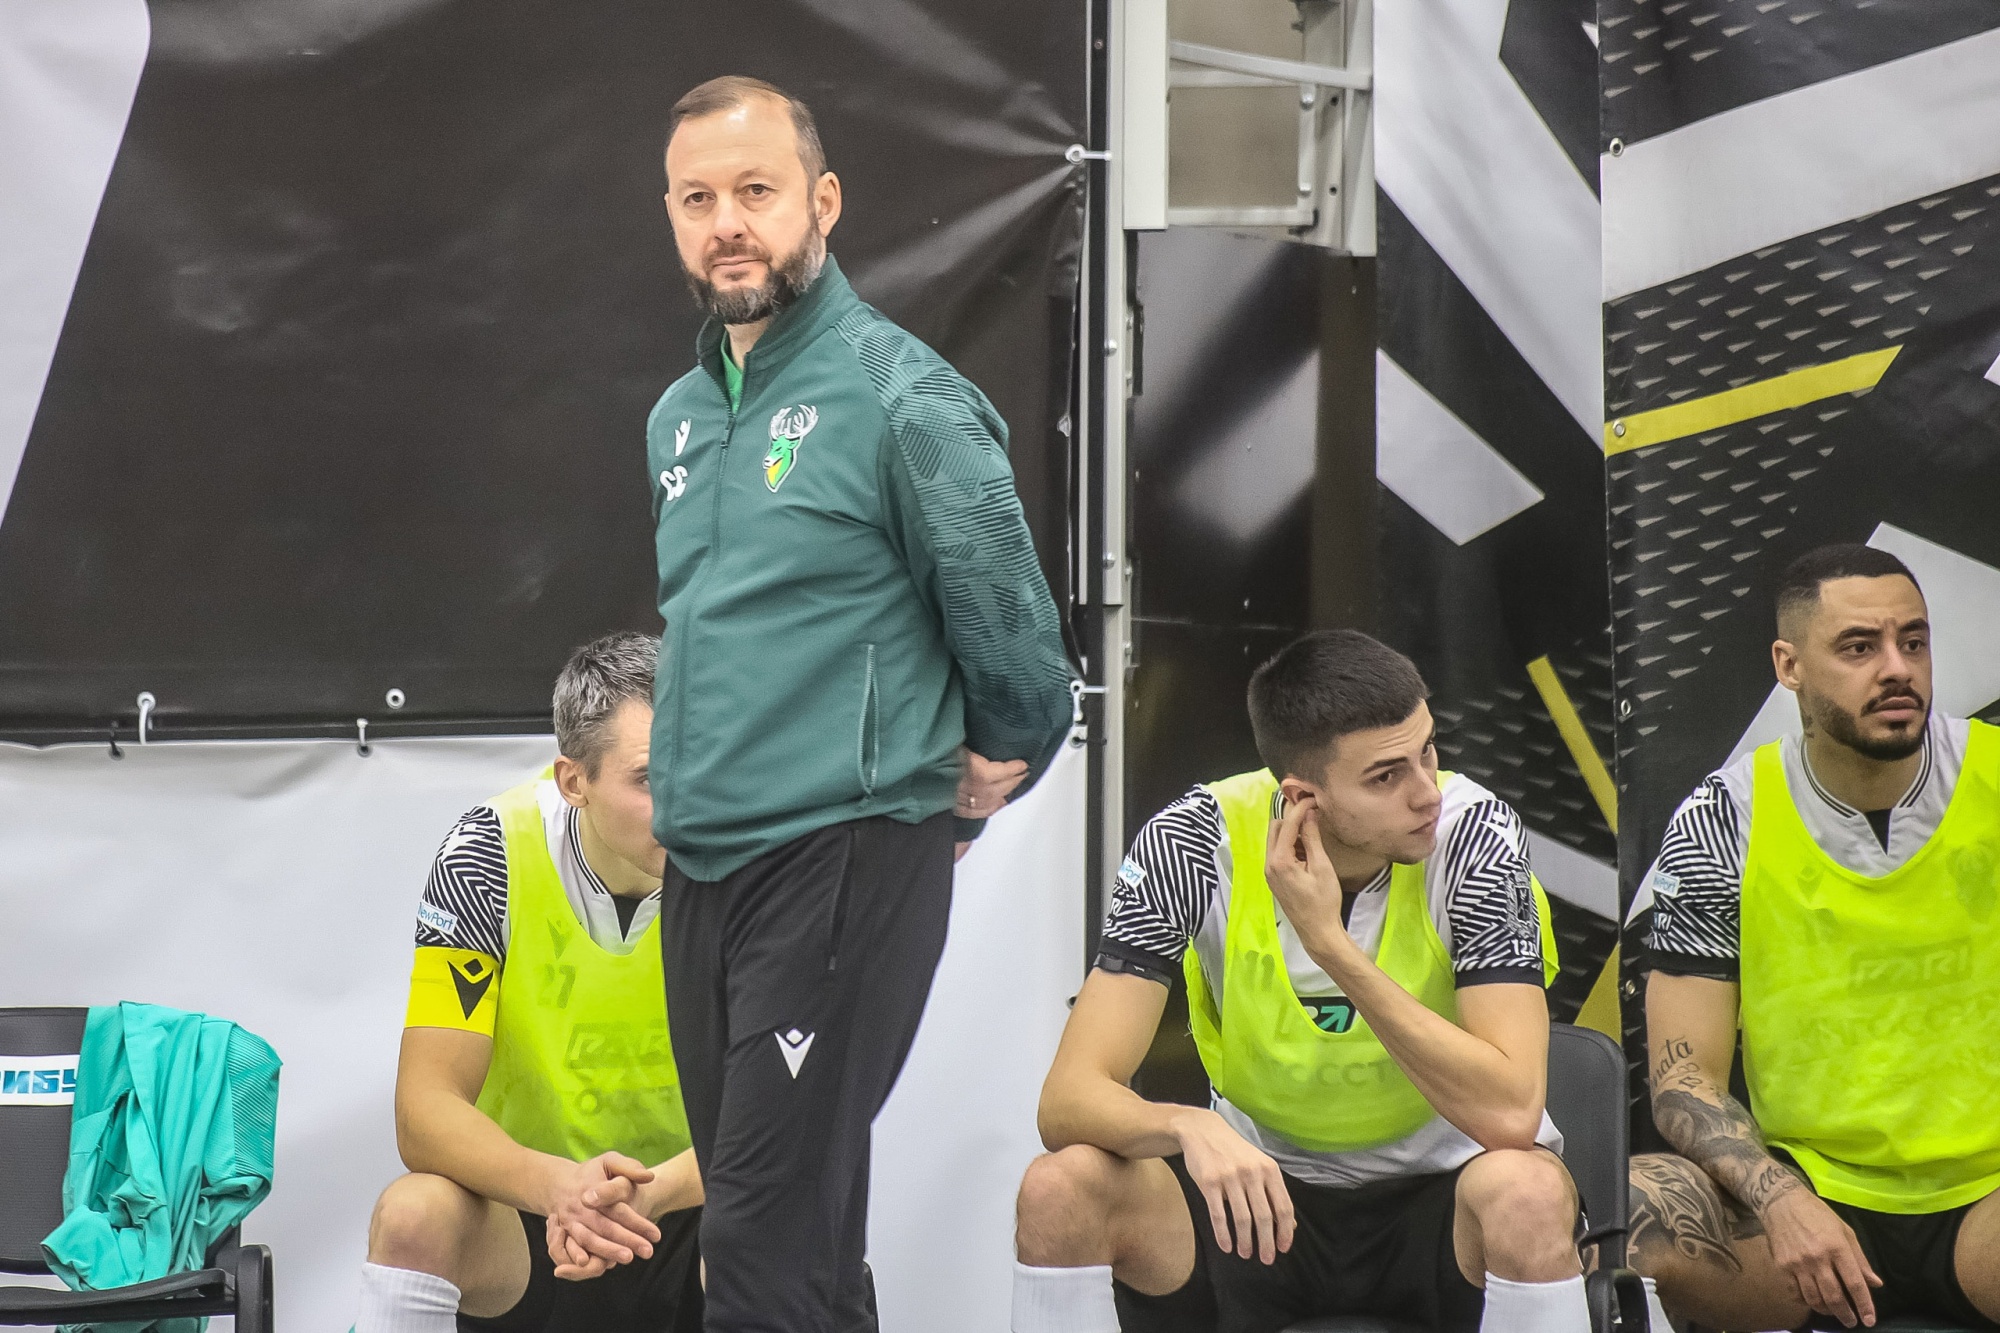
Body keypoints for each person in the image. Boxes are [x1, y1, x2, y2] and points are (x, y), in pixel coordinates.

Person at [647, 76, 1075, 1331]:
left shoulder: (900, 395)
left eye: (755, 190)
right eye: (696, 199)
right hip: (703, 864)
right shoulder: (678, 416)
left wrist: (970, 773)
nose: (727, 223)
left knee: (755, 1246)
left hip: (841, 857)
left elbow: (1018, 646)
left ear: (823, 202)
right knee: (803, 1243)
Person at [1011, 629, 1590, 1333]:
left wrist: (1330, 945)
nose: (1425, 793)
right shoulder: (1194, 841)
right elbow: (1067, 1100)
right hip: (1257, 1202)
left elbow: (1512, 1113)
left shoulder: (1476, 835)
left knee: (1529, 1192)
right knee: (1059, 1188)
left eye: (1428, 751)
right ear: (1303, 797)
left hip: (1444, 1194)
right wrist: (1186, 1124)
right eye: (1385, 777)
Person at [1628, 543, 2000, 1332]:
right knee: (1625, 1209)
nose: (1897, 668)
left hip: (1987, 1201)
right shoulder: (1723, 819)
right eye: (1860, 647)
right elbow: (1683, 1076)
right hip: (1807, 1196)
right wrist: (1780, 1197)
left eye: (1914, 641)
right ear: (1788, 665)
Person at [355, 633, 702, 1333]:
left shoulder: (752, 859)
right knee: (412, 1215)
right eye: (647, 778)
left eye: (697, 764)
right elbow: (423, 1107)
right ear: (574, 781)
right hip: (528, 1216)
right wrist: (560, 1187)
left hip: (690, 1201)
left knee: (793, 1207)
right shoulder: (487, 852)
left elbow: (790, 1113)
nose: (686, 803)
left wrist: (653, 1192)